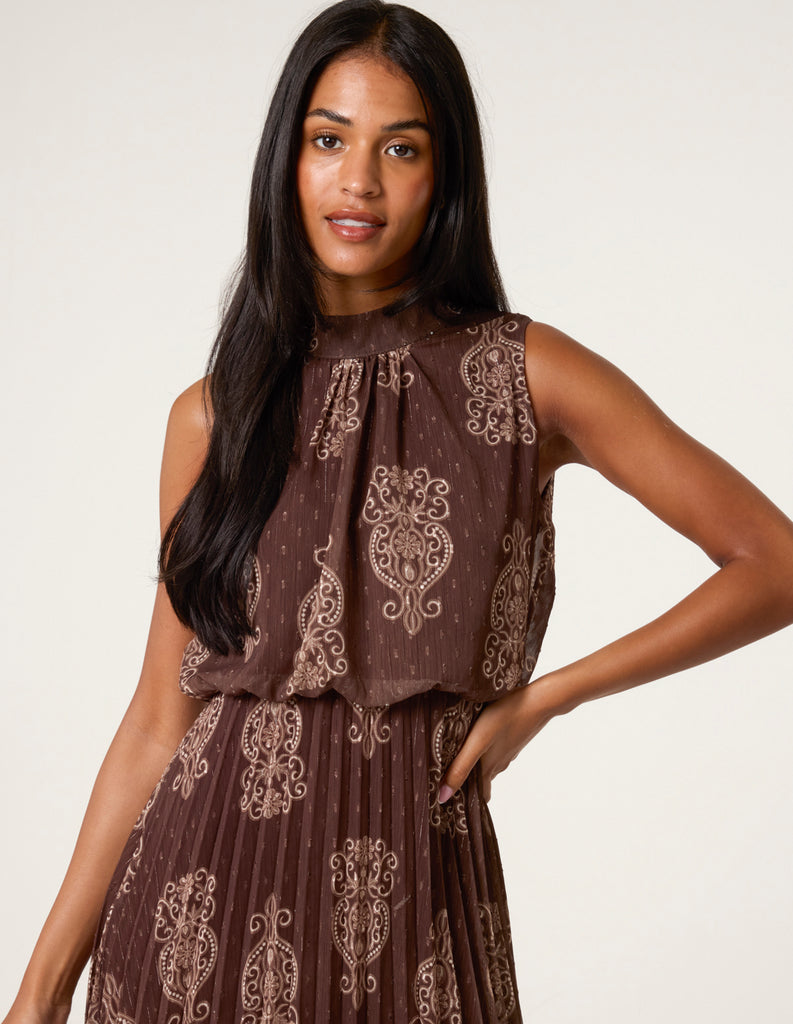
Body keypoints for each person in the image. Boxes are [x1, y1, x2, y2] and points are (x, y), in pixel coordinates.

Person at [4, 1, 793, 1021]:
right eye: (328, 140)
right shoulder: (213, 415)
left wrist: (547, 698)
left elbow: (771, 562)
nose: (359, 182)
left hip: (420, 924)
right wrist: (37, 994)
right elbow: (161, 721)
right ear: (286, 160)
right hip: (190, 927)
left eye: (401, 148)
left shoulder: (524, 376)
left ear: (445, 173)